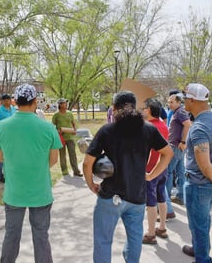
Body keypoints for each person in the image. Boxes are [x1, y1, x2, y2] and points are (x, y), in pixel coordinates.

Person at [82, 91, 173, 263]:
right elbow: (167, 153)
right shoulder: (148, 129)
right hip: (137, 196)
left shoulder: (107, 130)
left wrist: (91, 184)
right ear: (135, 108)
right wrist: (151, 175)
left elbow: (87, 163)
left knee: (103, 240)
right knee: (134, 239)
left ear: (114, 109)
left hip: (110, 196)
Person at [0, 84, 62, 263]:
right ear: (35, 101)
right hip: (40, 192)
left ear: (15, 101)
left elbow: (0, 157)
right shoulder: (47, 128)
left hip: (14, 192)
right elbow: (53, 160)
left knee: (11, 235)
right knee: (41, 236)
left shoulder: (2, 126)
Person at [181, 83, 212, 263]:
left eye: (185, 97)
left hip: (200, 184)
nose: (183, 101)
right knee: (202, 222)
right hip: (211, 183)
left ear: (193, 100)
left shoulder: (199, 127)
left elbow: (203, 163)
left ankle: (203, 259)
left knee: (199, 225)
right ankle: (198, 249)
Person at [141, 98, 169, 245]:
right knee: (161, 197)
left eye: (144, 108)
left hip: (151, 169)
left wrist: (147, 170)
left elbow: (152, 151)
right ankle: (162, 228)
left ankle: (151, 233)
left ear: (150, 110)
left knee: (150, 202)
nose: (143, 110)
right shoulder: (163, 124)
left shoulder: (149, 127)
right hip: (162, 167)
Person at [166, 94, 192, 206]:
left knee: (168, 172)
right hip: (178, 146)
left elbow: (188, 125)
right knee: (180, 172)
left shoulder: (180, 112)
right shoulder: (177, 112)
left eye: (172, 102)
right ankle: (181, 196)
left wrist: (183, 141)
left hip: (177, 146)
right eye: (169, 102)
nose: (170, 104)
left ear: (178, 102)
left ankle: (165, 198)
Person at [52, 98, 82, 176]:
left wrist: (74, 130)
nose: (66, 104)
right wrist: (58, 131)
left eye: (66, 103)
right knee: (62, 155)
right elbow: (52, 127)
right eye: (64, 103)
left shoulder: (70, 114)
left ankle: (76, 171)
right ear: (60, 105)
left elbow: (74, 124)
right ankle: (65, 172)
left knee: (73, 154)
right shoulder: (56, 115)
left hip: (70, 137)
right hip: (61, 138)